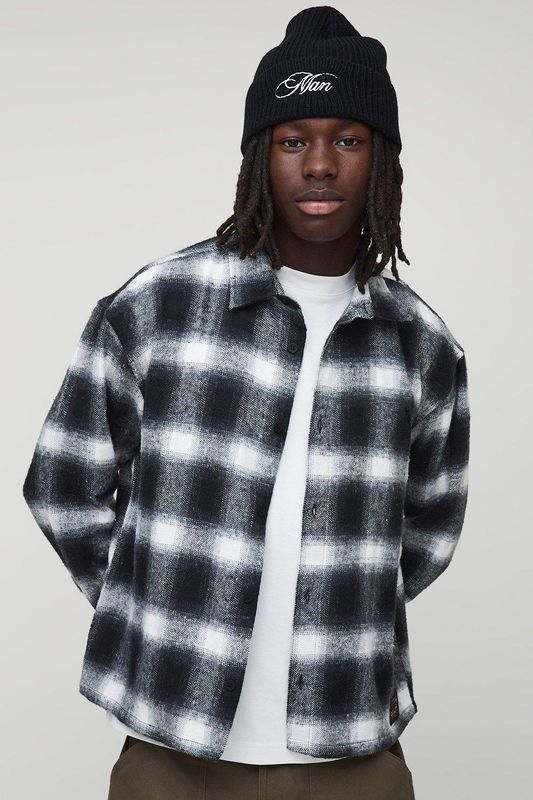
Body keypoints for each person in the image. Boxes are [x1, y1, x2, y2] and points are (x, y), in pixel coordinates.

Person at [22, 6, 470, 799]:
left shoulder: (421, 344)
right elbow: (62, 483)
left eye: (348, 140)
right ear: (260, 157)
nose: (320, 164)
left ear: (382, 160)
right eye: (293, 141)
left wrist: (342, 605)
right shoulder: (157, 306)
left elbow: (427, 529)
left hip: (352, 754)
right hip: (171, 754)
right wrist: (155, 600)